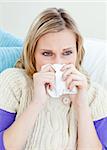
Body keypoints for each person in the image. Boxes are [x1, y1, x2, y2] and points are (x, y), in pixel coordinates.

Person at [0, 7, 107, 150]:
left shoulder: (95, 95)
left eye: (67, 53)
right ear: (33, 54)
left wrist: (81, 106)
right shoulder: (13, 82)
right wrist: (37, 102)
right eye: (47, 53)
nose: (58, 63)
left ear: (77, 53)